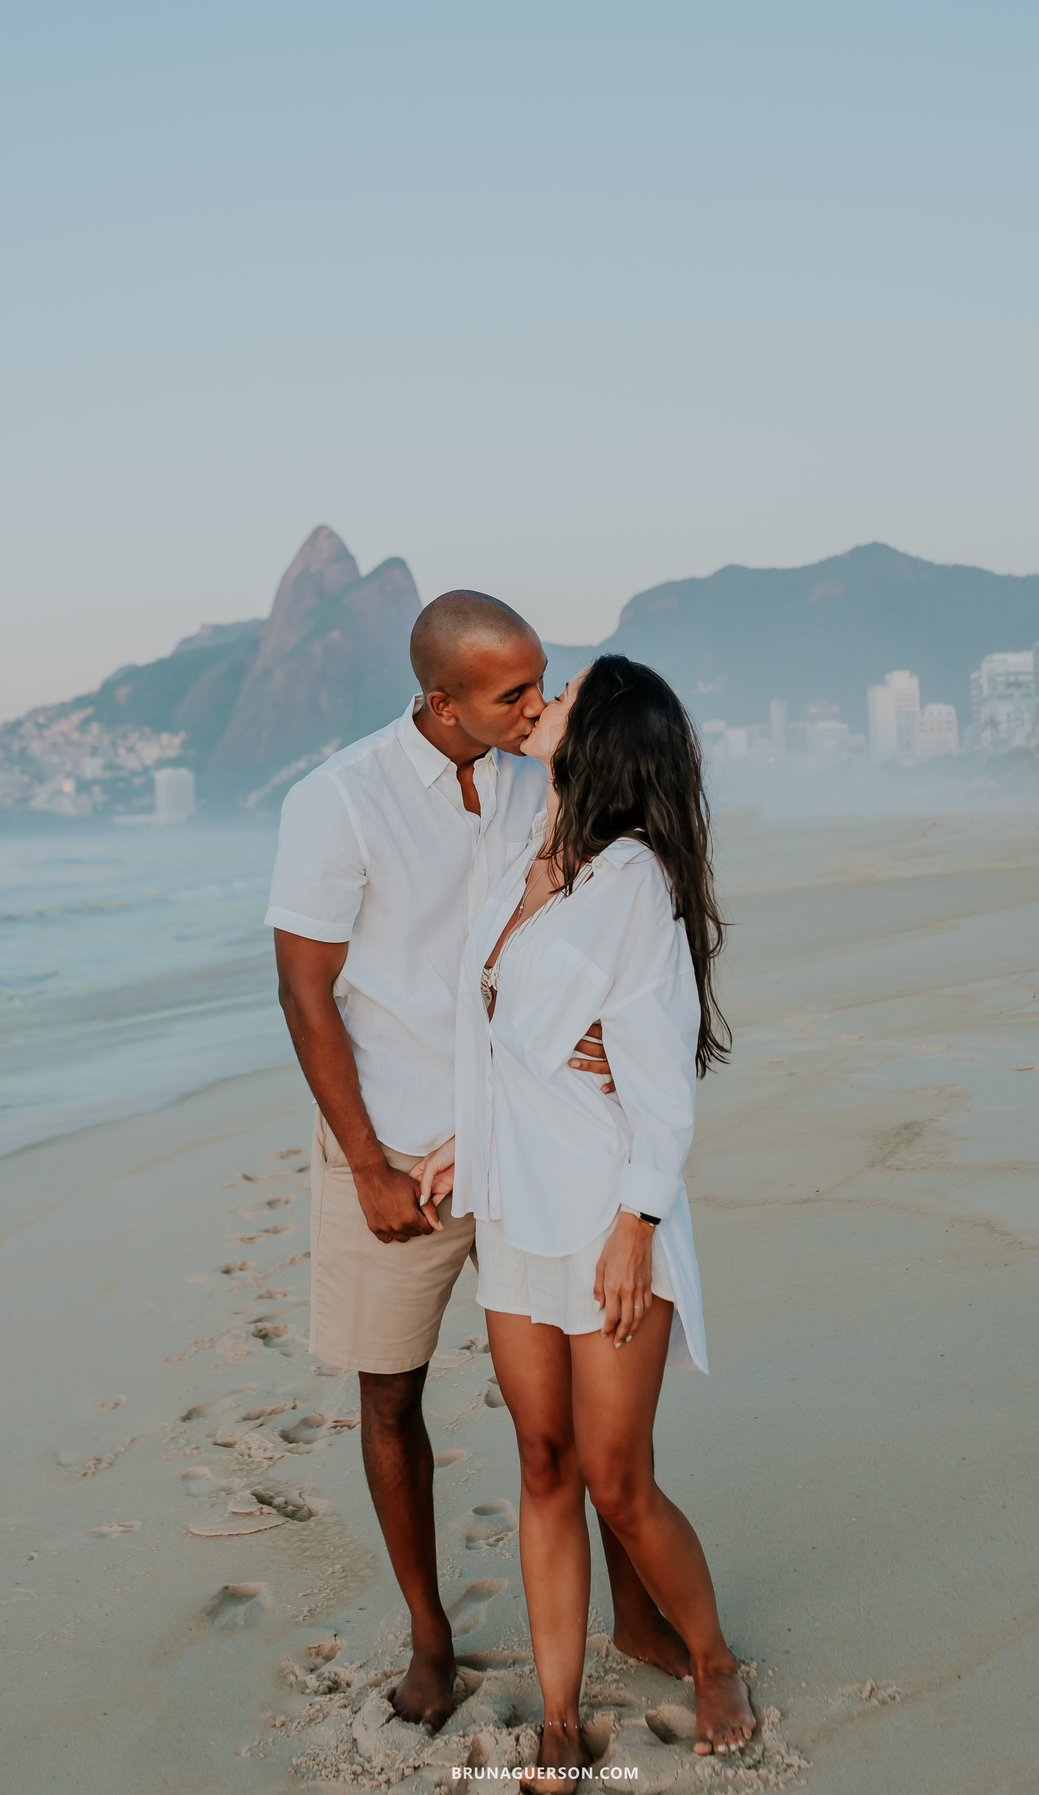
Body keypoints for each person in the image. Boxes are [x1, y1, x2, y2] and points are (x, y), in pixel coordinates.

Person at [265, 598, 692, 1736]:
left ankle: (642, 1619)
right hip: (401, 1142)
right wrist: (366, 1164)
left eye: (543, 684)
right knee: (390, 1390)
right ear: (440, 701)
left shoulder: (540, 771)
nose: (537, 705)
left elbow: (617, 914)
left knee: (570, 1427)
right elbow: (306, 992)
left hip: (529, 1139)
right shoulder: (338, 800)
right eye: (513, 693)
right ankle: (429, 1638)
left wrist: (588, 1043)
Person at [412, 656, 755, 1781]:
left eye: (565, 696)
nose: (544, 704)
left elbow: (657, 1079)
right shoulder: (526, 854)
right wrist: (469, 1137)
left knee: (617, 1477)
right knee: (543, 1460)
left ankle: (709, 1658)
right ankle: (560, 1716)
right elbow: (498, 1030)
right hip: (518, 1210)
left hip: (610, 1211)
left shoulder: (633, 885)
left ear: (599, 734)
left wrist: (640, 1224)